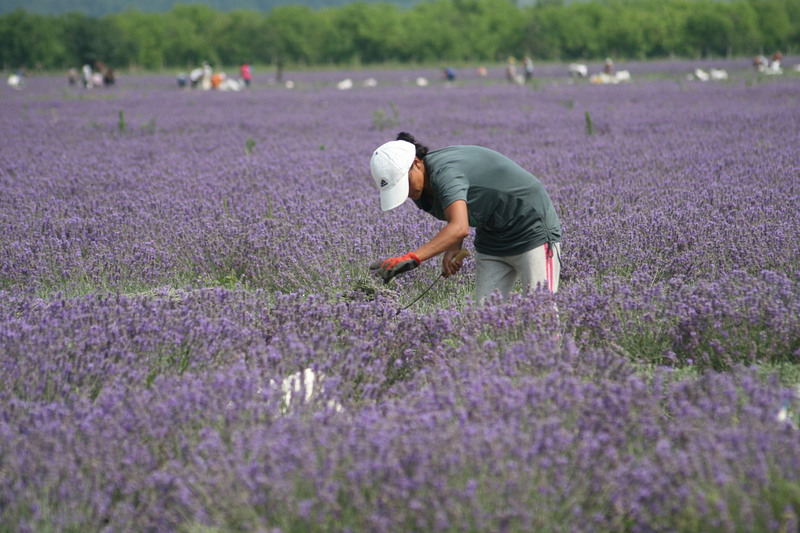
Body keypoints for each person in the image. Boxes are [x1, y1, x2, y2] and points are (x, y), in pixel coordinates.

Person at [369, 132, 562, 303]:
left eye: (406, 183)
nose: (407, 191)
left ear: (416, 163)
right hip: (493, 237)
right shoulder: (420, 190)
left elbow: (460, 227)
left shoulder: (445, 174)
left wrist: (412, 258)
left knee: (542, 310)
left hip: (532, 230)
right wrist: (454, 246)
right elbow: (460, 212)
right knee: (485, 320)